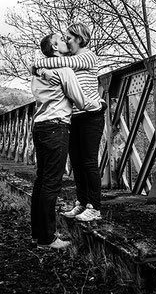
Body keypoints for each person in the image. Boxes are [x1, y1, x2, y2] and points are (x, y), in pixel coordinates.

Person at [31, 33, 100, 250]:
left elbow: (35, 69)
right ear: (54, 46)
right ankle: (48, 239)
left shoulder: (39, 74)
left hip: (39, 126)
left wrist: (39, 68)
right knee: (51, 183)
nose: (65, 42)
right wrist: (99, 104)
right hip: (57, 127)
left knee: (41, 181)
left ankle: (39, 234)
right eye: (61, 39)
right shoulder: (65, 70)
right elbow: (79, 100)